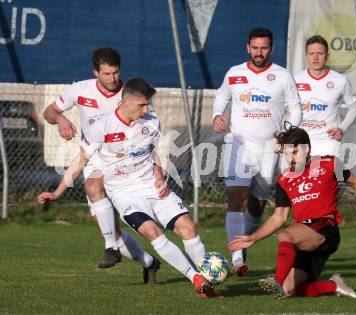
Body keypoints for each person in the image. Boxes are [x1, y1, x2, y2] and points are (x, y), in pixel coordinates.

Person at [40, 78, 221, 299]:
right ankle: (197, 279)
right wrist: (57, 192)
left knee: (189, 229)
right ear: (125, 102)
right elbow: (80, 161)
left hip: (152, 189)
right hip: (125, 195)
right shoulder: (102, 126)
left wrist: (158, 177)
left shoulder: (151, 120)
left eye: (147, 104)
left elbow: (153, 153)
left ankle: (207, 279)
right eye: (141, 105)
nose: (146, 110)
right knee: (153, 232)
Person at [42, 47, 159, 282]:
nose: (113, 79)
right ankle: (149, 263)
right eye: (107, 74)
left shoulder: (130, 95)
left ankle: (111, 249)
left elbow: (148, 130)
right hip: (93, 155)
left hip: (123, 160)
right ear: (96, 71)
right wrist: (61, 119)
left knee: (93, 188)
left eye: (116, 73)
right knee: (110, 230)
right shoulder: (80, 89)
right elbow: (49, 112)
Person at [228, 126, 356, 299]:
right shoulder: (284, 180)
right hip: (305, 237)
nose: (290, 158)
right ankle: (333, 285)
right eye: (286, 153)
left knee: (286, 236)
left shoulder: (328, 163)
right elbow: (279, 217)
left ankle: (277, 279)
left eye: (294, 152)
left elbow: (354, 181)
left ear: (307, 149)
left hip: (325, 228)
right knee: (288, 290)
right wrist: (252, 237)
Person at [212, 27, 303, 276]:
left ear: (271, 49)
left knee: (257, 203)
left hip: (269, 149)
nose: (259, 52)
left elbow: (296, 109)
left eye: (264, 48)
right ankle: (237, 257)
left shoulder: (283, 76)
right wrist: (217, 115)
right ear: (247, 48)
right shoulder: (235, 73)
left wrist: (286, 133)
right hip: (239, 144)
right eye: (255, 48)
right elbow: (221, 98)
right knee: (236, 197)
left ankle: (247, 239)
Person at [294, 35, 356, 158]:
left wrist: (342, 128)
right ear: (306, 56)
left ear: (327, 56)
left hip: (329, 143)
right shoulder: (295, 79)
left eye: (320, 53)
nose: (315, 57)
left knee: (329, 177)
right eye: (311, 53)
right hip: (301, 142)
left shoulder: (340, 80)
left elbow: (355, 107)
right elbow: (286, 109)